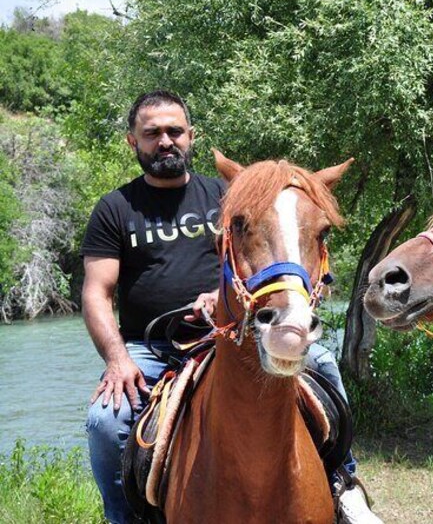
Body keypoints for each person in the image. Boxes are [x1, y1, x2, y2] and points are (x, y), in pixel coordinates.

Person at [82, 90, 380, 524]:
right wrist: (116, 359)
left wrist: (222, 299)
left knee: (322, 363)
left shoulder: (229, 196)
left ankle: (344, 484)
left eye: (175, 131)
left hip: (227, 333)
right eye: (152, 134)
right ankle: (123, 518)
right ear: (133, 141)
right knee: (105, 423)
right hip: (149, 349)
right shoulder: (115, 208)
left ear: (191, 137)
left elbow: (260, 253)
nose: (165, 141)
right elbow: (96, 293)